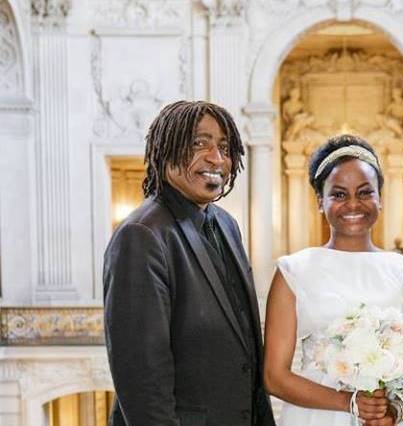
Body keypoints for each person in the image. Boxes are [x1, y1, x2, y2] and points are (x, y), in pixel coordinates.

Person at [103, 101, 275, 426]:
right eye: (199, 143)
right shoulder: (141, 236)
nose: (217, 157)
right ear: (166, 149)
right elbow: (142, 381)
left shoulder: (226, 224)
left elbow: (245, 353)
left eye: (224, 147)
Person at [263, 134, 403, 425]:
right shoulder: (293, 270)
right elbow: (275, 376)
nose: (353, 204)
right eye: (338, 194)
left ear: (380, 199)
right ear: (320, 202)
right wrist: (348, 402)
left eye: (364, 192)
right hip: (313, 417)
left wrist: (393, 411)